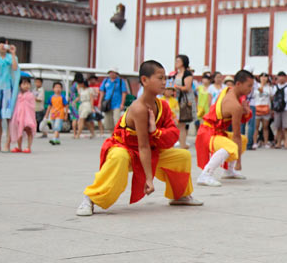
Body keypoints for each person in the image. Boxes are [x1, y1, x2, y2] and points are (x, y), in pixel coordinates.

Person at [76, 60, 202, 216]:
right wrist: (149, 179)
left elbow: (173, 133)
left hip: (149, 151)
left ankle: (180, 195)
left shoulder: (163, 106)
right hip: (126, 149)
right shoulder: (139, 108)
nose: (164, 82)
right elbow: (143, 146)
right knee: (119, 157)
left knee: (181, 156)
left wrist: (155, 131)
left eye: (165, 78)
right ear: (144, 80)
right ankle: (90, 198)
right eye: (160, 78)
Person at [195, 70, 254, 187]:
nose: (250, 89)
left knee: (243, 140)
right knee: (232, 145)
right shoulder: (235, 105)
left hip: (215, 131)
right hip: (208, 133)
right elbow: (236, 134)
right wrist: (239, 162)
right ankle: (205, 174)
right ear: (238, 84)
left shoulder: (229, 91)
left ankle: (228, 171)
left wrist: (245, 111)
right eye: (249, 86)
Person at [0, 38, 19, 152]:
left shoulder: (11, 58)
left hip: (8, 90)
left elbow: (14, 68)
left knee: (9, 118)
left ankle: (7, 144)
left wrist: (13, 54)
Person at [8, 77, 36, 153]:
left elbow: (32, 107)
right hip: (19, 116)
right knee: (18, 131)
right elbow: (16, 106)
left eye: (28, 83)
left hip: (28, 117)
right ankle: (19, 147)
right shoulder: (18, 96)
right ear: (20, 85)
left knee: (29, 131)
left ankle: (28, 147)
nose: (26, 85)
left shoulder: (30, 95)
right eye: (24, 84)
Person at [271, 71, 287, 149]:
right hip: (277, 108)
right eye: (279, 77)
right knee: (278, 127)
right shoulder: (275, 87)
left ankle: (286, 143)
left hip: (286, 108)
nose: (281, 78)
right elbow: (272, 97)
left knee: (286, 127)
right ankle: (278, 143)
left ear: (285, 77)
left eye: (282, 76)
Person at [174, 55, 194, 149]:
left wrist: (175, 87)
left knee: (181, 124)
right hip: (176, 100)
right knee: (178, 124)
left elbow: (187, 88)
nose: (176, 62)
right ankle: (183, 144)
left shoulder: (187, 74)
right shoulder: (176, 74)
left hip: (184, 101)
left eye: (178, 61)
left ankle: (182, 145)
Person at [69, 73, 84, 138]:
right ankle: (77, 133)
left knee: (73, 118)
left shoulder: (72, 84)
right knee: (78, 118)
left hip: (71, 101)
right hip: (77, 102)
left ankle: (74, 133)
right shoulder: (78, 84)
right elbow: (79, 93)